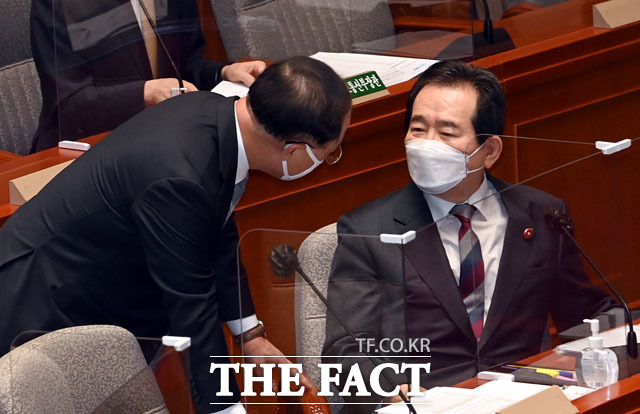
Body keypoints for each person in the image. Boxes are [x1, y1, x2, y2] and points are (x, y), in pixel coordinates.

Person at [0, 56, 351, 413]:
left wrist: (250, 335)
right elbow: (192, 304)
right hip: (47, 303)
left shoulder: (218, 118)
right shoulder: (180, 178)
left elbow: (217, 233)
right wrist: (226, 408)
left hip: (99, 289)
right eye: (328, 153)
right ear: (294, 150)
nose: (327, 161)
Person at [322, 60, 615, 411]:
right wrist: (389, 390)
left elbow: (583, 313)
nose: (427, 145)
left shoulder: (542, 214)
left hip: (524, 401)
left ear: (489, 151)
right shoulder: (369, 229)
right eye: (418, 129)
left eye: (447, 133)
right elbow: (345, 349)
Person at [30, 0, 266, 152]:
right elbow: (68, 104)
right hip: (84, 151)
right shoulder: (59, 4)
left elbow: (184, 68)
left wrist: (223, 73)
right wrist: (145, 93)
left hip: (162, 141)